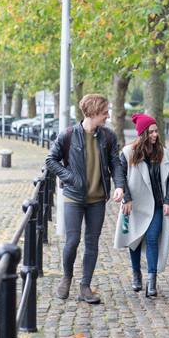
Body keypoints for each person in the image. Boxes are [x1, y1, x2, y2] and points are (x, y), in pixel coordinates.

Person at [45, 94, 124, 304]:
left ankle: (85, 287)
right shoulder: (68, 135)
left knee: (92, 242)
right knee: (72, 241)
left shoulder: (108, 135)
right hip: (73, 197)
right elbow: (51, 160)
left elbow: (115, 164)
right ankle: (66, 278)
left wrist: (120, 186)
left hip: (98, 198)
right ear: (92, 113)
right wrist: (70, 177)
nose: (108, 115)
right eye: (104, 112)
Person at [114, 114, 169, 297]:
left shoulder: (162, 153)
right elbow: (120, 176)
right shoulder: (128, 152)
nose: (155, 135)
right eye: (151, 132)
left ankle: (152, 280)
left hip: (156, 205)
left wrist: (168, 201)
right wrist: (127, 198)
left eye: (156, 131)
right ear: (142, 134)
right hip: (134, 204)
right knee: (134, 238)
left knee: (151, 238)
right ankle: (136, 274)